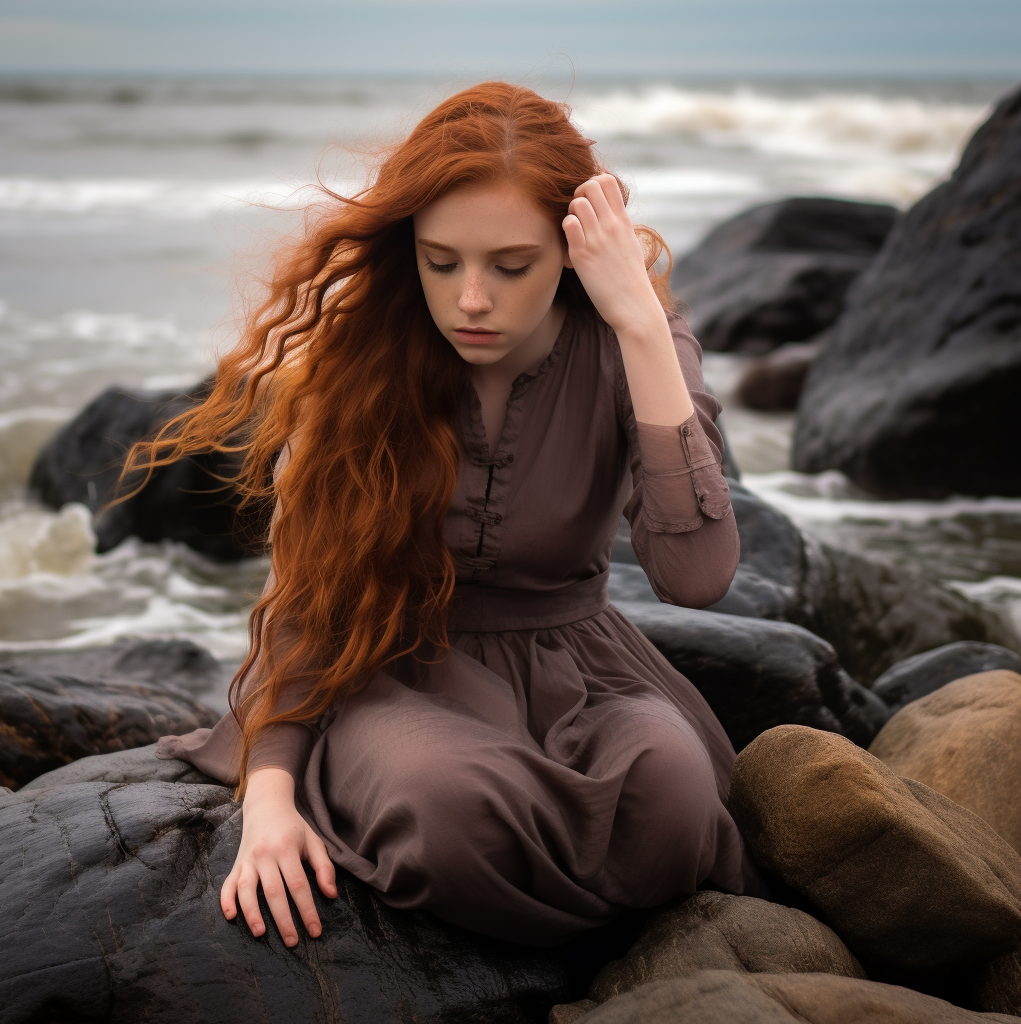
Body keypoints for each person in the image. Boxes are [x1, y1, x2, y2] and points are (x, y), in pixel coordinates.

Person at [142, 81, 764, 950]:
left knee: (672, 798)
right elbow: (306, 601)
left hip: (586, 674)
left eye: (512, 266)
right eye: (443, 263)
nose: (473, 298)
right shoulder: (363, 361)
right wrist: (271, 799)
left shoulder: (637, 344)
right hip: (394, 671)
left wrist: (642, 326)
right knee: (447, 811)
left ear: (574, 254)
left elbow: (696, 578)